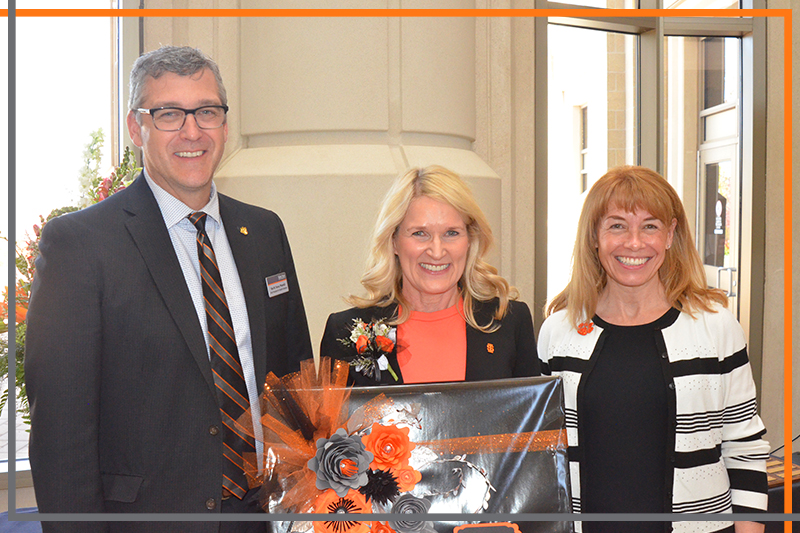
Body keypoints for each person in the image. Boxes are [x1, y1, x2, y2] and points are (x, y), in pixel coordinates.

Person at [25, 46, 313, 532]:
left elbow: (297, 385)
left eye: (206, 111)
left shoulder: (264, 232)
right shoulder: (79, 244)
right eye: (168, 115)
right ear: (137, 128)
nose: (192, 131)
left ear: (224, 124)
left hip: (266, 515)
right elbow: (61, 436)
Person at [537, 166, 769, 533]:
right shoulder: (558, 333)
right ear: (594, 237)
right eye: (616, 225)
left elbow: (745, 450)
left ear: (671, 234)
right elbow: (544, 456)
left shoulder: (716, 328)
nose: (634, 242)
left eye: (650, 226)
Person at [320, 165, 540, 385]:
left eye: (451, 233)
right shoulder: (345, 332)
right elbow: (328, 418)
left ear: (470, 240)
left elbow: (533, 417)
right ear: (394, 241)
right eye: (420, 234)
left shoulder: (510, 322)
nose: (436, 251)